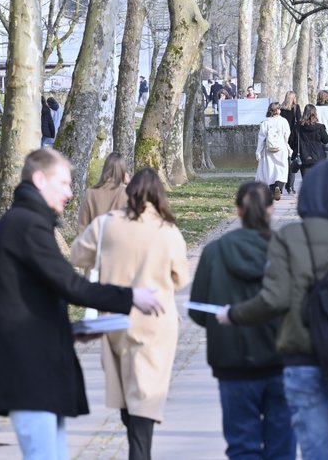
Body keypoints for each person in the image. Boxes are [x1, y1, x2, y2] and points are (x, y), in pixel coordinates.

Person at [216, 160, 328, 460]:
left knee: (313, 449)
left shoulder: (288, 237)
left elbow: (274, 299)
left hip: (302, 358)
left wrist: (233, 314)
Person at [0, 149, 162, 460]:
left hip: (36, 366)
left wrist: (70, 329)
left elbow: (28, 298)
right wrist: (131, 297)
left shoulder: (24, 222)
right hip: (30, 371)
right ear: (38, 179)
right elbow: (70, 284)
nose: (70, 193)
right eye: (63, 183)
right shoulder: (27, 225)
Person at [70, 168, 189, 460]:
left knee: (126, 391)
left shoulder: (107, 225)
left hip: (116, 318)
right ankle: (140, 452)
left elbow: (77, 255)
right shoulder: (167, 230)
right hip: (155, 322)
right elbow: (180, 278)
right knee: (146, 394)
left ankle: (138, 446)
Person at [189, 182, 296, 459]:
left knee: (241, 446)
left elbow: (198, 310)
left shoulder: (214, 252)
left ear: (237, 211)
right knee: (282, 445)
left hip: (233, 361)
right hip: (280, 360)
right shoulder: (286, 251)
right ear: (271, 209)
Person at [77, 151, 129, 233]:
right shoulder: (127, 193)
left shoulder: (90, 192)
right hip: (119, 243)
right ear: (123, 171)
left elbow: (82, 226)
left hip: (95, 242)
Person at [256, 102, 291, 200]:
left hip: (269, 149)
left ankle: (272, 190)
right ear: (278, 110)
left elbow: (261, 138)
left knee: (270, 169)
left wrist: (258, 151)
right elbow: (287, 135)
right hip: (281, 148)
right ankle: (278, 186)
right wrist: (288, 146)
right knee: (282, 169)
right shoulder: (284, 121)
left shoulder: (265, 122)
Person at [292, 104, 328, 177]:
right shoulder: (319, 127)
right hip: (318, 156)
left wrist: (298, 147)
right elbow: (325, 140)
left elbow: (291, 141)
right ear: (315, 114)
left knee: (306, 181)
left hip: (304, 157)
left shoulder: (298, 127)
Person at [279, 91, 301, 194]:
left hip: (282, 136)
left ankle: (282, 185)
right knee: (292, 161)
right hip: (293, 136)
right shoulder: (295, 107)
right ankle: (290, 186)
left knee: (284, 162)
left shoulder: (281, 108)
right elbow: (299, 121)